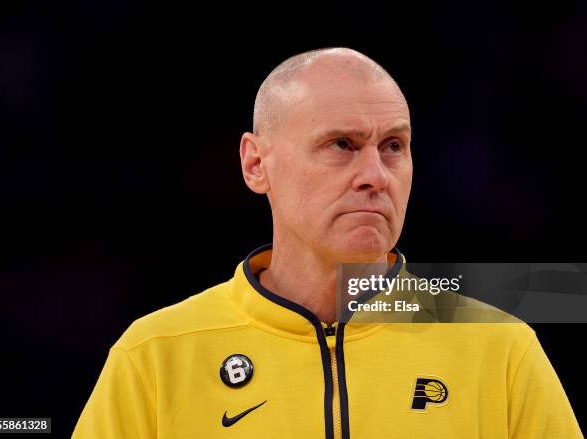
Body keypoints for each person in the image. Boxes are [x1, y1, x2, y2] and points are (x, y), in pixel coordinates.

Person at [73, 48, 583, 438]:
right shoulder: (155, 357)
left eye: (394, 147)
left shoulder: (500, 349)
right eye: (341, 145)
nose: (375, 176)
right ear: (256, 164)